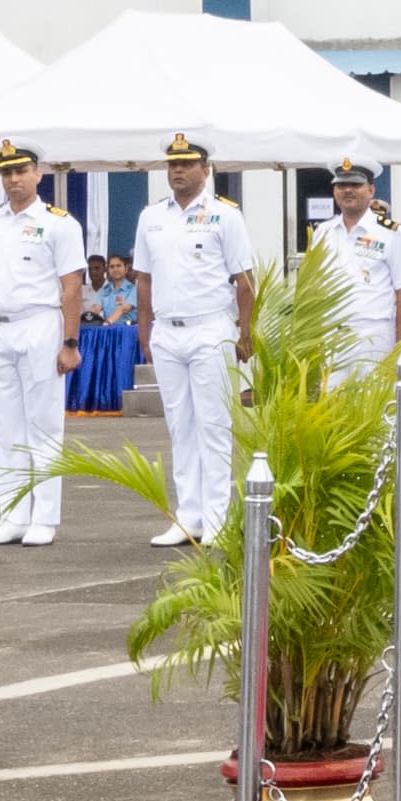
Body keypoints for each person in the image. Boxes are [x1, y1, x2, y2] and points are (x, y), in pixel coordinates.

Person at [131, 134, 257, 549]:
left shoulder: (225, 216)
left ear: (206, 170)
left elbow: (244, 280)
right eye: (172, 165)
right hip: (168, 330)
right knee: (180, 426)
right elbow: (143, 278)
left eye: (186, 164)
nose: (178, 171)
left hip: (210, 329)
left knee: (214, 426)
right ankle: (189, 517)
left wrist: (246, 332)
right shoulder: (151, 217)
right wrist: (144, 328)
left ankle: (219, 518)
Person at [0, 141, 81, 547]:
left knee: (44, 425)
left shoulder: (59, 223)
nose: (13, 180)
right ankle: (12, 514)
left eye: (21, 171)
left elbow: (71, 287)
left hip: (39, 323)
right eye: (7, 173)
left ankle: (45, 517)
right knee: (8, 427)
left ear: (38, 174)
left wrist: (69, 341)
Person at [311, 161, 401, 378]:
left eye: (355, 185)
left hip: (373, 336)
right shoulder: (323, 232)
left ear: (371, 190)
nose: (347, 190)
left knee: (372, 406)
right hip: (332, 336)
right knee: (333, 406)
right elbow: (314, 289)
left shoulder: (391, 233)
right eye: (341, 185)